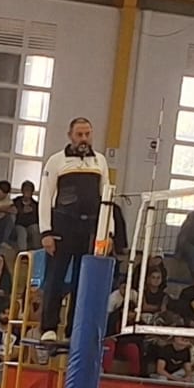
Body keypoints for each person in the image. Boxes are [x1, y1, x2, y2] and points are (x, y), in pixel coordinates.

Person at [39, 117, 109, 342]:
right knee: (55, 278)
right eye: (79, 134)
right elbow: (45, 197)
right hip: (63, 225)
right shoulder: (56, 161)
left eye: (87, 134)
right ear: (70, 136)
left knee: (83, 281)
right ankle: (48, 328)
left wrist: (107, 232)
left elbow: (107, 198)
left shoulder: (100, 161)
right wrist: (46, 232)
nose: (84, 138)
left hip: (88, 228)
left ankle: (74, 330)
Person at [12, 179, 40, 249]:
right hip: (18, 226)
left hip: (31, 226)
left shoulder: (36, 205)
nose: (27, 192)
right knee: (22, 232)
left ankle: (36, 251)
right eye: (26, 190)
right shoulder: (15, 202)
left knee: (35, 228)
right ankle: (23, 253)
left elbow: (36, 220)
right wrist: (22, 211)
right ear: (22, 191)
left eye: (29, 190)